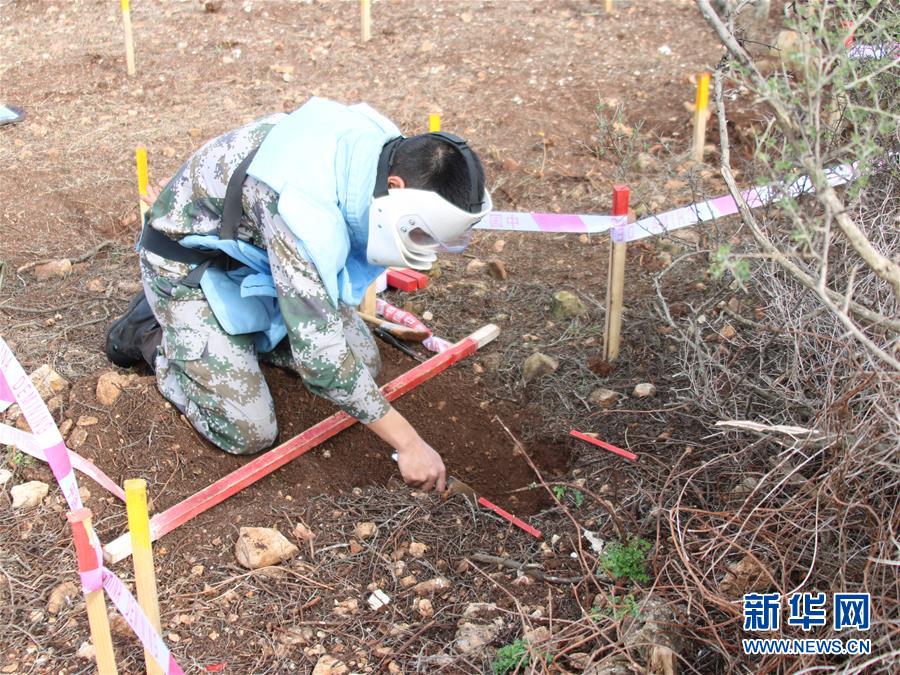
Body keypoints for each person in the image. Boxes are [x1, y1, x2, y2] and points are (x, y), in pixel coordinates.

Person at [138, 98, 491, 493]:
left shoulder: (388, 153)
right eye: (422, 232)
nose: (425, 246)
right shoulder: (302, 207)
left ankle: (245, 339)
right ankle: (160, 341)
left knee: (364, 365)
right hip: (187, 268)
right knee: (248, 430)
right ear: (396, 188)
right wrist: (409, 444)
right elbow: (323, 364)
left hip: (258, 257)